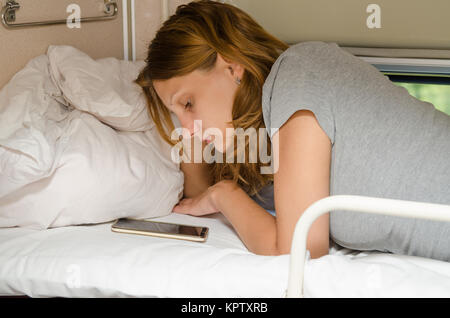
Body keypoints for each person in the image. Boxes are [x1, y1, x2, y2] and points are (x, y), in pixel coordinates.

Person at [135, 0, 450, 261]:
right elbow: (196, 196)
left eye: (189, 103)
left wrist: (224, 195)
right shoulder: (270, 139)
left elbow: (297, 251)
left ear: (232, 67)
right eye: (175, 115)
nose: (186, 130)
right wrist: (190, 122)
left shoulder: (298, 76)